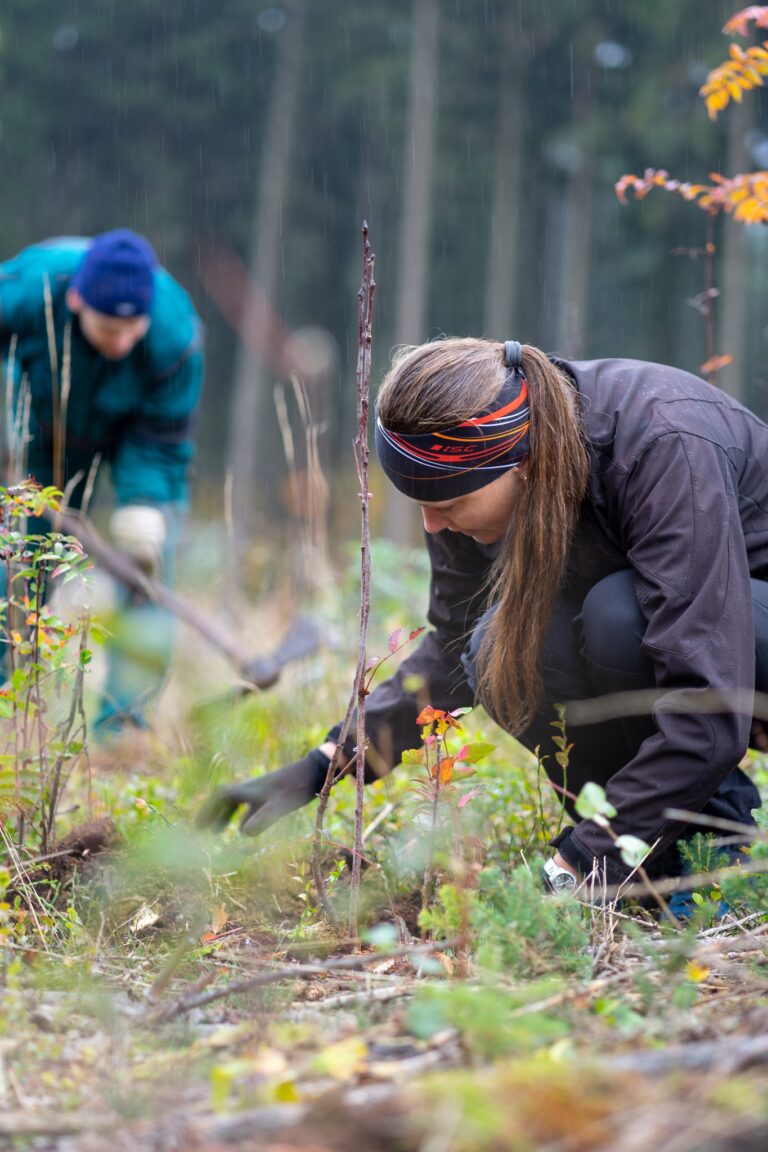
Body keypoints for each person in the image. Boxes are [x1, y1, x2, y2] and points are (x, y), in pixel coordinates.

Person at [198, 337, 766, 898]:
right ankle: (648, 855)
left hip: (738, 657)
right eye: (421, 504)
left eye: (447, 505)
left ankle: (711, 850)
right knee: (499, 643)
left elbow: (709, 699)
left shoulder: (660, 445)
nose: (433, 525)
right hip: (705, 653)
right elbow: (453, 648)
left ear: (522, 465)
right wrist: (328, 760)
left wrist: (578, 861)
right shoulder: (468, 480)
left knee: (618, 614)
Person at [0, 229, 204, 731]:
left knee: (147, 574)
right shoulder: (25, 292)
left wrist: (145, 506)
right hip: (41, 436)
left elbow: (163, 439)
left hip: (137, 441)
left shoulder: (175, 334)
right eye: (110, 328)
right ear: (76, 302)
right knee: (19, 563)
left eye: (134, 328)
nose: (124, 341)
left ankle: (125, 728)